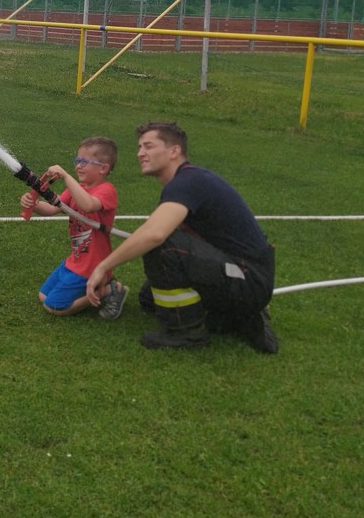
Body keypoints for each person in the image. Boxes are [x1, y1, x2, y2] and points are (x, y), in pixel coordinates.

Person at [85, 121, 278, 353]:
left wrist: (103, 267)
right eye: (139, 147)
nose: (140, 153)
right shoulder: (186, 181)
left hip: (249, 278)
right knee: (148, 297)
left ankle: (187, 334)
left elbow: (155, 234)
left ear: (174, 151)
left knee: (163, 246)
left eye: (148, 146)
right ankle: (235, 317)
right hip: (240, 272)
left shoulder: (188, 181)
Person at [19, 137, 125, 319]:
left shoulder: (107, 190)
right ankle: (98, 286)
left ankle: (109, 289)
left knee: (54, 306)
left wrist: (66, 177)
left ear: (103, 168)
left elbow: (88, 205)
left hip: (93, 264)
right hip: (75, 260)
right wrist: (34, 204)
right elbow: (52, 209)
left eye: (84, 162)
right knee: (43, 296)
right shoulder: (78, 188)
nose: (78, 166)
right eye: (77, 160)